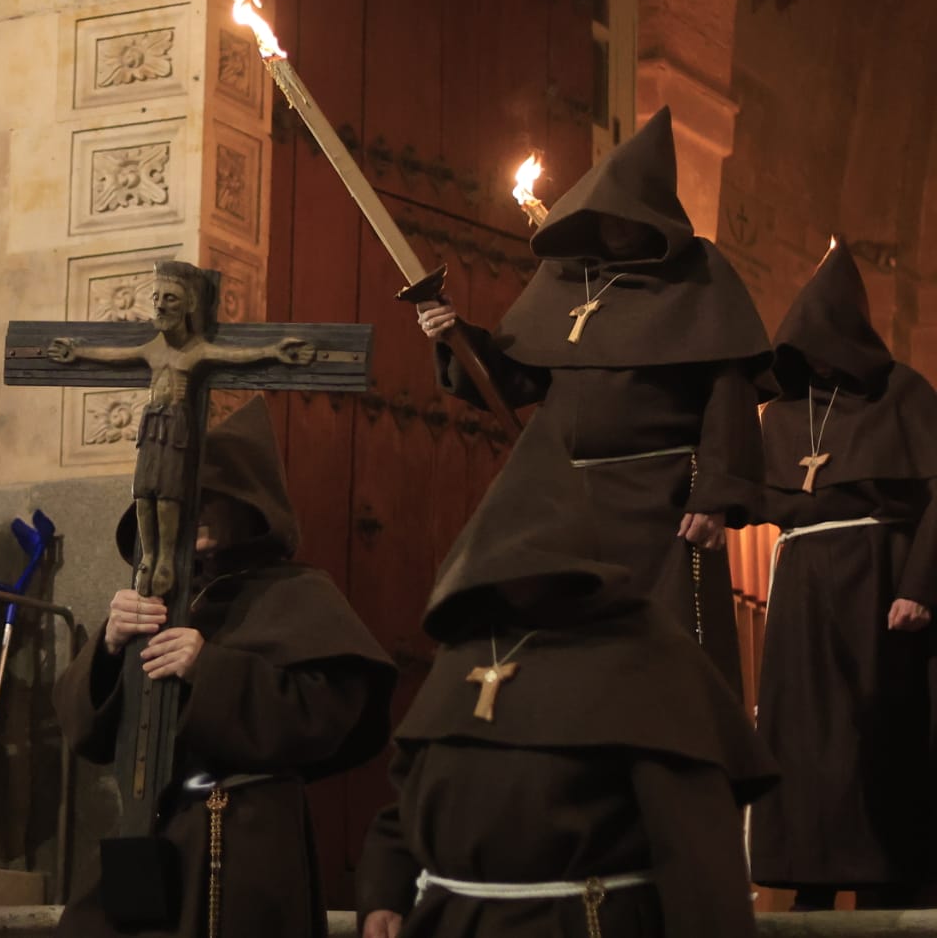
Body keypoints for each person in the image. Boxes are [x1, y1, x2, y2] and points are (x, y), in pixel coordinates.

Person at [354, 434, 776, 938]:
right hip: (450, 920)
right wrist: (383, 890)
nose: (514, 572)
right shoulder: (465, 650)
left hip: (580, 922)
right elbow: (412, 803)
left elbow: (697, 848)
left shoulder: (643, 651)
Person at [416, 107, 771, 690]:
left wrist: (717, 496)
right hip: (563, 499)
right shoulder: (565, 280)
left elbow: (729, 392)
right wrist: (457, 335)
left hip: (658, 502)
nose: (615, 228)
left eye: (626, 217)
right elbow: (514, 378)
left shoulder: (701, 276)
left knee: (658, 655)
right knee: (552, 647)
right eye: (604, 217)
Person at [53, 395, 397, 938]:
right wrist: (109, 648)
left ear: (253, 506)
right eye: (186, 500)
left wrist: (208, 669)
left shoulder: (297, 594)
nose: (197, 511)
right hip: (148, 831)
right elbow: (86, 736)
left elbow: (330, 718)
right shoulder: (156, 598)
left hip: (241, 833)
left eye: (214, 497)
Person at [748, 242, 937, 909]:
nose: (820, 358)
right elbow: (746, 494)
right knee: (803, 739)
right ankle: (812, 874)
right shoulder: (782, 413)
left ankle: (883, 878)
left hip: (877, 583)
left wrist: (919, 585)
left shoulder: (905, 395)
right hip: (801, 587)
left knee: (874, 732)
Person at [48, 263, 312, 597]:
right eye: (155, 297)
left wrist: (273, 350)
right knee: (144, 493)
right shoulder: (153, 349)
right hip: (151, 429)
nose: (159, 305)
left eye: (170, 298)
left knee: (169, 495)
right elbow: (114, 355)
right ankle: (150, 557)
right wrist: (77, 351)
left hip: (175, 429)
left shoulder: (197, 351)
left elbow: (237, 356)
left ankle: (165, 559)